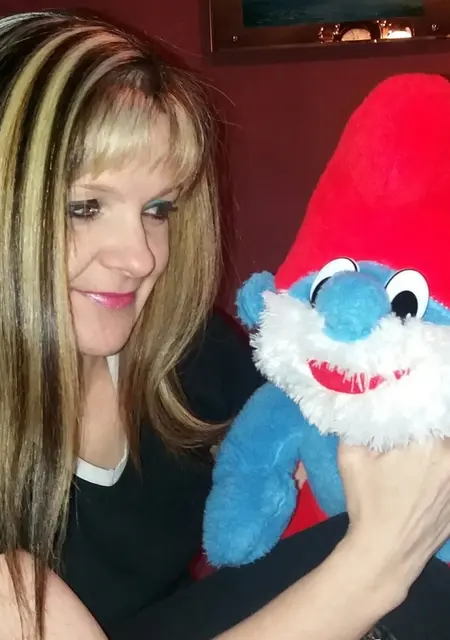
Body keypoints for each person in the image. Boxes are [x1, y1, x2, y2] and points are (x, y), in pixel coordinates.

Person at [1, 9, 450, 640]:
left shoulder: (181, 354)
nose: (140, 258)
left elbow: (300, 440)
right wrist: (379, 563)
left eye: (157, 209)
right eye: (84, 207)